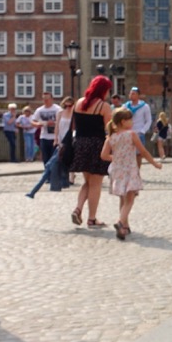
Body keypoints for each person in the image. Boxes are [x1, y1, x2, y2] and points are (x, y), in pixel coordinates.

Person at [101, 107, 163, 240]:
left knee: (123, 198)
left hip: (117, 170)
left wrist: (116, 158)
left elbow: (103, 155)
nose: (132, 122)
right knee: (130, 199)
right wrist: (155, 164)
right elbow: (143, 152)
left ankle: (125, 227)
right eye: (130, 119)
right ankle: (120, 222)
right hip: (130, 170)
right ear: (123, 121)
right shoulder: (131, 134)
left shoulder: (111, 137)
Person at [69, 76, 114, 229]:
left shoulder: (79, 103)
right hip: (97, 146)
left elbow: (75, 125)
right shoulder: (103, 106)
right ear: (103, 90)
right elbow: (110, 130)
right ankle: (92, 219)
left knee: (87, 182)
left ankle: (78, 208)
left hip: (80, 145)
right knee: (96, 184)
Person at [33, 92, 63, 164]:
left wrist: (54, 123)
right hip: (44, 137)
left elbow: (63, 121)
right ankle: (48, 173)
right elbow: (33, 122)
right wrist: (42, 123)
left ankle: (51, 174)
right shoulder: (39, 110)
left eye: (47, 99)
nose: (45, 101)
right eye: (44, 99)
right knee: (46, 159)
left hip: (55, 137)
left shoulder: (58, 109)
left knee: (54, 159)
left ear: (52, 99)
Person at [125, 87, 154, 154]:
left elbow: (149, 120)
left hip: (139, 133)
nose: (131, 95)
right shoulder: (126, 106)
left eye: (133, 94)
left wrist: (143, 131)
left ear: (138, 95)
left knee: (138, 155)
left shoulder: (144, 106)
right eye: (130, 94)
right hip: (128, 133)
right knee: (128, 154)